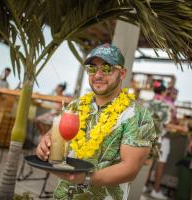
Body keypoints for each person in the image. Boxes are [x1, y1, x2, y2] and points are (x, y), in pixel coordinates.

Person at [36, 43, 156, 199]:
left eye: (106, 68)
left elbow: (130, 169)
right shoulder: (75, 106)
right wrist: (44, 144)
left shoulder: (137, 115)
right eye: (92, 68)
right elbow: (54, 136)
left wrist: (85, 178)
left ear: (122, 73)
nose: (98, 75)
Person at [147, 80, 188, 199]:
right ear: (165, 92)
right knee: (160, 164)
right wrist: (181, 127)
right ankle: (155, 190)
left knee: (147, 163)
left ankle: (143, 186)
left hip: (148, 136)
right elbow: (166, 123)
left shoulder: (150, 102)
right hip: (161, 138)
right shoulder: (166, 104)